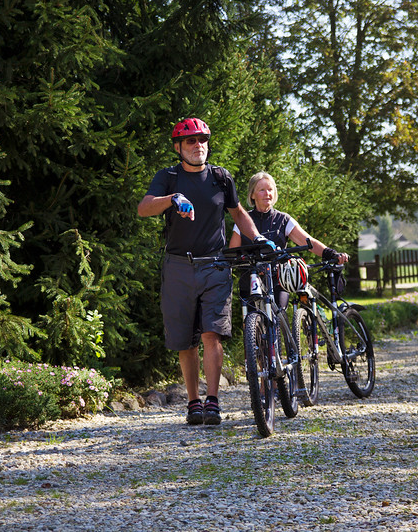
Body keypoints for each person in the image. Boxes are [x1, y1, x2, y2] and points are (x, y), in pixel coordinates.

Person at [137, 118, 273, 426]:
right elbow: (144, 208)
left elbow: (238, 213)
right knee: (186, 341)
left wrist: (257, 237)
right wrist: (172, 199)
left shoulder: (220, 177)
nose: (198, 145)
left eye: (203, 140)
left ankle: (212, 401)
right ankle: (193, 402)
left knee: (213, 333)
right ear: (178, 147)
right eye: (190, 141)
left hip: (215, 265)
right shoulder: (168, 177)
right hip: (178, 267)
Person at [228, 171, 349, 309]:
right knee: (252, 319)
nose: (267, 194)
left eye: (270, 189)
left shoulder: (283, 219)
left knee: (278, 315)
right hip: (250, 283)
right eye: (262, 190)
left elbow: (308, 242)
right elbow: (232, 255)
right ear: (252, 195)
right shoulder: (243, 221)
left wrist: (330, 253)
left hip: (278, 282)